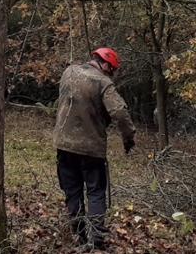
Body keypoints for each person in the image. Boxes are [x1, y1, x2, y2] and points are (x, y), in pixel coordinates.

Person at [52, 48, 136, 251]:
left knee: (72, 191)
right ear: (106, 65)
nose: (111, 75)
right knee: (96, 191)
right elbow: (120, 112)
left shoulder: (69, 72)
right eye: (112, 70)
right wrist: (128, 138)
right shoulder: (103, 82)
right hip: (92, 148)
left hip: (63, 144)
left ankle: (80, 235)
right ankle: (96, 236)